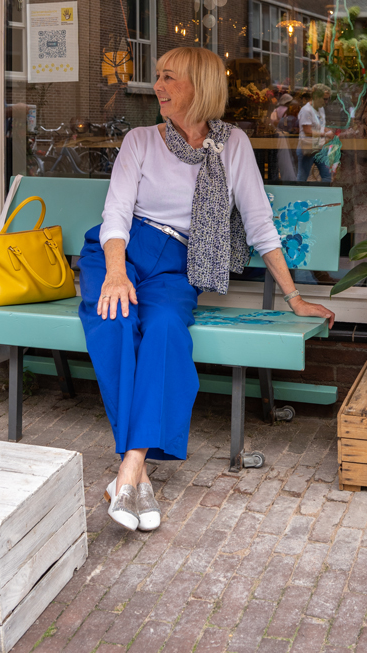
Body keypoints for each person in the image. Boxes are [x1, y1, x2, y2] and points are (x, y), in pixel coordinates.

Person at [78, 47, 335, 533]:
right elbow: (116, 213)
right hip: (121, 252)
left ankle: (131, 469)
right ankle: (136, 475)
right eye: (157, 76)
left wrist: (294, 297)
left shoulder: (231, 144)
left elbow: (259, 223)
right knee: (115, 320)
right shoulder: (139, 141)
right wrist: (115, 272)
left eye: (169, 77)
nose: (157, 85)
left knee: (168, 330)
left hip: (178, 265)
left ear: (200, 86)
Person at [296, 83, 334, 182]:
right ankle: (299, 195)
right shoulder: (306, 110)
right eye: (324, 99)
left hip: (319, 147)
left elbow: (319, 126)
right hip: (307, 148)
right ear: (316, 97)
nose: (326, 102)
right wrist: (325, 134)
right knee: (302, 178)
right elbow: (307, 131)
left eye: (327, 99)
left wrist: (327, 130)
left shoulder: (321, 109)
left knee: (327, 176)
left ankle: (324, 196)